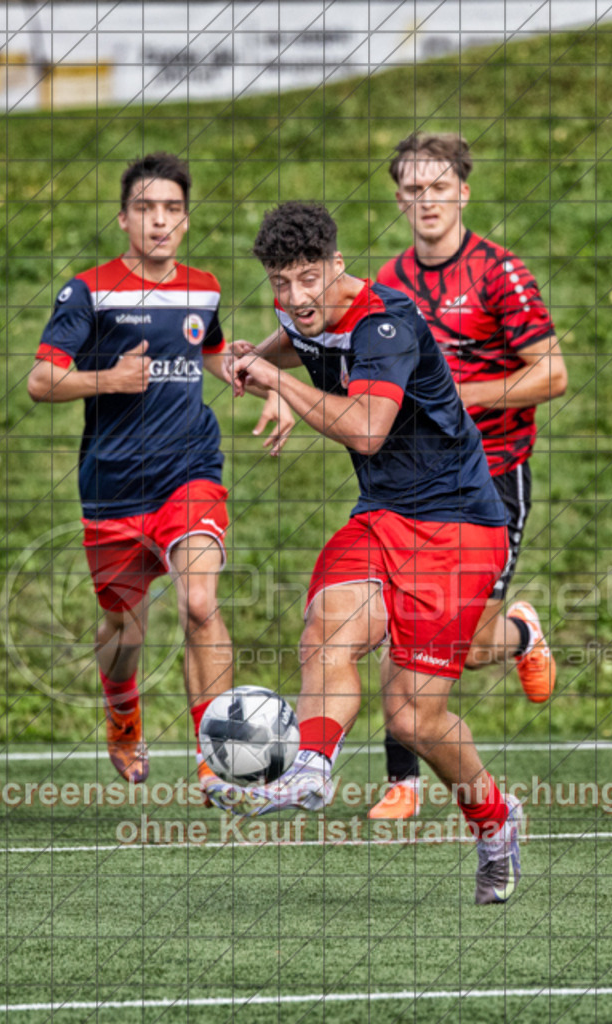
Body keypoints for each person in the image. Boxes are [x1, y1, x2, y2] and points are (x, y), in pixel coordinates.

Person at [228, 201, 521, 904]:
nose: (294, 297)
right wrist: (250, 369)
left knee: (411, 717)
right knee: (326, 628)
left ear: (336, 266)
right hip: (383, 515)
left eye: (307, 278)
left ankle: (495, 822)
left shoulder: (387, 325)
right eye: (279, 281)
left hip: (456, 525)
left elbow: (365, 429)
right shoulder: (304, 316)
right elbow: (268, 354)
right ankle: (311, 767)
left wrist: (282, 388)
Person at [28, 153, 292, 796]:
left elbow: (212, 352)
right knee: (125, 627)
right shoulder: (87, 291)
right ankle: (122, 714)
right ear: (125, 219)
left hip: (189, 472)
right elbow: (41, 380)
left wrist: (275, 385)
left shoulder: (203, 286)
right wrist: (108, 380)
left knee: (200, 604)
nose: (160, 220)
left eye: (172, 209)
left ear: (186, 219)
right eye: (146, 208)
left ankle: (217, 757)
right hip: (113, 486)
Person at [370, 132, 569, 819]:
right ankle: (401, 781)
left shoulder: (497, 273)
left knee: (450, 641)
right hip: (414, 481)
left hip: (491, 479)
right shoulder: (389, 283)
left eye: (438, 187)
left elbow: (552, 373)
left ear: (462, 191)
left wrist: (466, 395)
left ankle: (519, 633)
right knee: (398, 622)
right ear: (399, 198)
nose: (426, 200)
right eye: (413, 189)